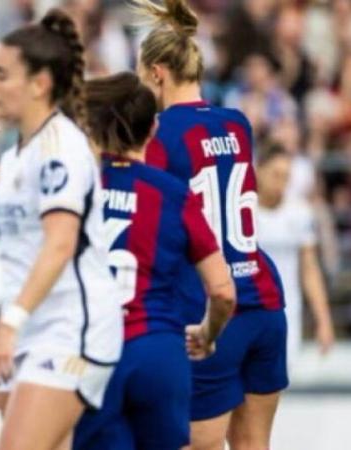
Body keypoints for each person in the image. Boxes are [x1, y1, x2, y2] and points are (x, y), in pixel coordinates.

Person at [136, 1, 288, 449]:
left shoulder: (159, 134)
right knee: (253, 444)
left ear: (158, 72)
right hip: (262, 297)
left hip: (207, 309)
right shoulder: (237, 123)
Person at [0, 8, 122, 450]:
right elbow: (21, 257)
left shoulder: (61, 148)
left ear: (40, 83)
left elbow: (60, 245)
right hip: (36, 333)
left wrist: (8, 325)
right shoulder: (16, 155)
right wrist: (8, 335)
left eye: (1, 75)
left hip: (72, 331)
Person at [72, 72, 236, 450]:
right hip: (158, 350)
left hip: (93, 350)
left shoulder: (78, 188)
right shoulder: (173, 193)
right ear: (154, 127)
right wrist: (207, 335)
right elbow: (224, 292)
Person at [256, 144, 335, 364]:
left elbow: (310, 270)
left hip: (287, 311)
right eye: (276, 175)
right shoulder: (243, 211)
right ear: (258, 170)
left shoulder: (299, 212)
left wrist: (324, 320)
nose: (281, 183)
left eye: (286, 177)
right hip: (249, 309)